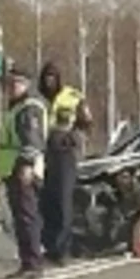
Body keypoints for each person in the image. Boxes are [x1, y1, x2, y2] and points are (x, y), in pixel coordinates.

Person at [0, 66, 48, 279]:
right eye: (10, 83)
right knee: (20, 218)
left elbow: (32, 139)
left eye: (17, 83)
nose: (12, 87)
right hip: (12, 168)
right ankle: (27, 262)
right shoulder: (16, 107)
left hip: (24, 168)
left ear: (27, 84)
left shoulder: (29, 108)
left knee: (27, 217)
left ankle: (34, 263)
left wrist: (26, 164)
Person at [36, 61, 93, 266]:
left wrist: (72, 138)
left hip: (64, 155)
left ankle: (62, 249)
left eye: (53, 77)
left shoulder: (73, 97)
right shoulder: (37, 100)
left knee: (62, 202)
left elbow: (86, 122)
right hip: (41, 154)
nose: (49, 81)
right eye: (46, 77)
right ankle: (48, 246)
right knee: (45, 203)